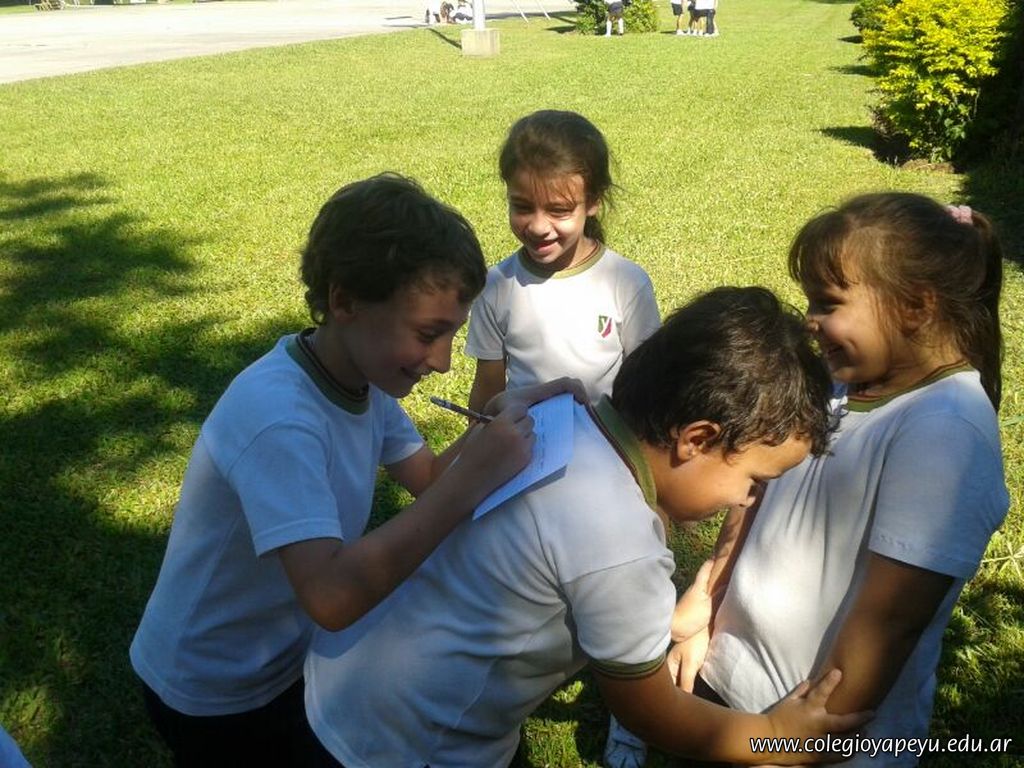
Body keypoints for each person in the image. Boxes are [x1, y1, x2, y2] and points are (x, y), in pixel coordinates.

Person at [304, 286, 873, 767]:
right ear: (697, 439)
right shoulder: (624, 547)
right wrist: (774, 734)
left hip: (344, 677)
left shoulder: (556, 413)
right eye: (753, 478)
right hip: (410, 745)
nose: (747, 498)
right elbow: (652, 712)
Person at [129, 173, 573, 767]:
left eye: (451, 335)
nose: (443, 362)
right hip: (212, 688)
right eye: (428, 333)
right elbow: (332, 595)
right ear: (344, 303)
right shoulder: (279, 417)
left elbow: (428, 479)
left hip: (284, 659)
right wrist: (472, 480)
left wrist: (491, 420)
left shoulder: (360, 377)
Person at [682, 194, 1009, 767]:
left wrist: (802, 747)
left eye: (828, 303)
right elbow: (755, 493)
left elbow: (890, 623)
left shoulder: (946, 430)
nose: (810, 320)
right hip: (733, 680)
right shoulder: (838, 385)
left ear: (915, 306)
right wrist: (706, 596)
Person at [466, 110, 661, 413]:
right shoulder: (496, 287)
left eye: (558, 210)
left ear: (594, 201)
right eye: (522, 207)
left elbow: (648, 385)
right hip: (525, 440)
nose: (538, 227)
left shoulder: (627, 284)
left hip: (606, 438)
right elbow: (486, 399)